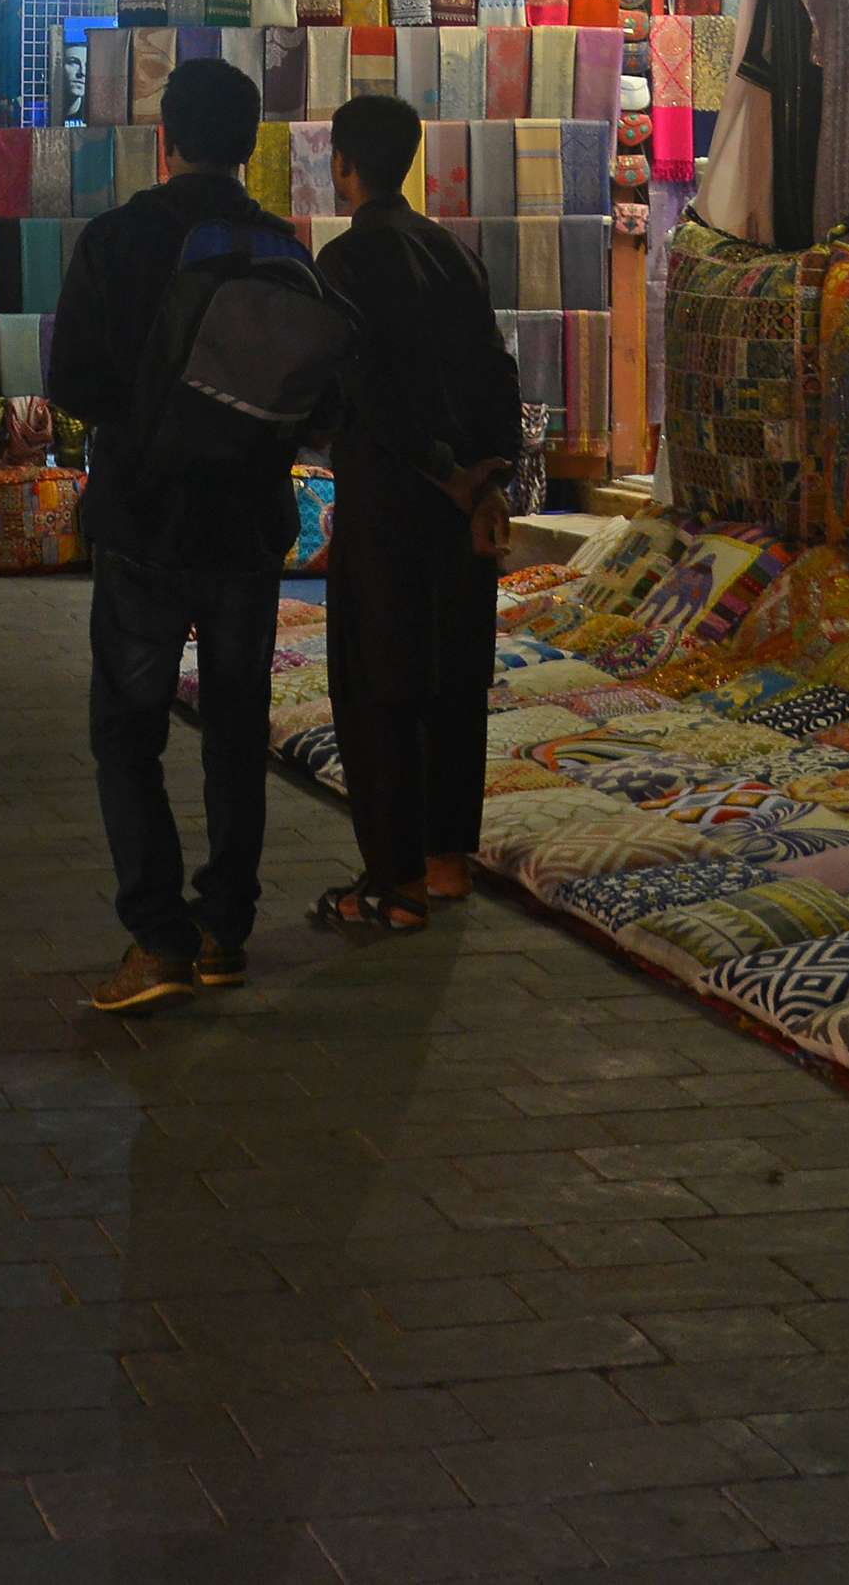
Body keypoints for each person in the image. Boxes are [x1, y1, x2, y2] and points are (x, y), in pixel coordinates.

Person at [48, 55, 337, 1013]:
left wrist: (143, 417)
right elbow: (317, 404)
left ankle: (159, 937)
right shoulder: (283, 250)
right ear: (249, 145)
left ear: (164, 136)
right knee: (237, 731)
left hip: (145, 524)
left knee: (128, 732)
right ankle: (223, 932)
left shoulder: (118, 240)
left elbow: (71, 384)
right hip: (248, 527)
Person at [309, 92, 524, 931]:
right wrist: (490, 477)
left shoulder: (343, 263)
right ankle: (447, 864)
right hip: (461, 507)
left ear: (343, 165)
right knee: (455, 679)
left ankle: (393, 885)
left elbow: (365, 392)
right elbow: (496, 370)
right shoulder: (454, 253)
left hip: (390, 502)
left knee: (380, 685)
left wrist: (442, 471)